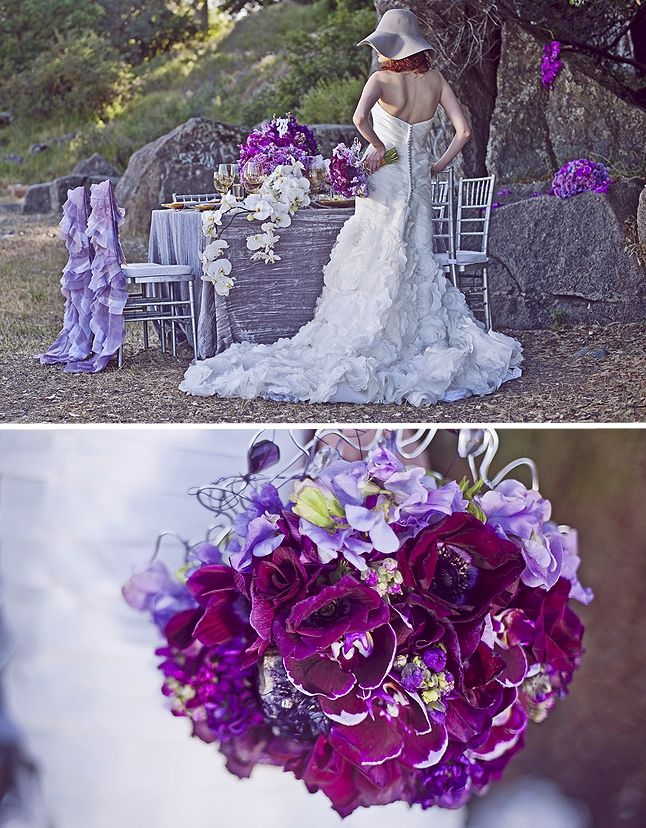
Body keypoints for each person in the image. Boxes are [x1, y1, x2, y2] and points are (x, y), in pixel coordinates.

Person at [180, 9, 522, 406]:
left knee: (376, 252)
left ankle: (373, 333)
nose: (377, 52)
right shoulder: (437, 81)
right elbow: (462, 132)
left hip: (387, 173)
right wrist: (439, 164)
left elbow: (360, 118)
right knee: (415, 254)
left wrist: (378, 146)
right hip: (420, 181)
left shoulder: (380, 80)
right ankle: (417, 336)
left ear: (392, 48)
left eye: (381, 44)